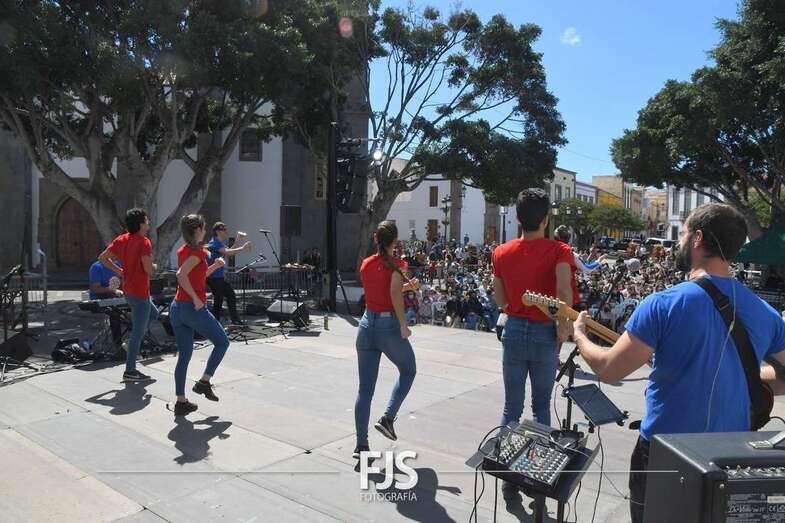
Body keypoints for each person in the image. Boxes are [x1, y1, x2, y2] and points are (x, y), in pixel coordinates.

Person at [571, 203, 785, 523]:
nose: (681, 241)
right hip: (731, 457)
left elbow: (609, 368)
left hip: (665, 453)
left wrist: (579, 335)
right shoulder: (765, 313)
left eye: (683, 233)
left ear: (697, 238)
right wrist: (743, 374)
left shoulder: (663, 304)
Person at [491, 188, 574, 502]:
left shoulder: (501, 252)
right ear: (546, 219)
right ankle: (534, 475)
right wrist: (563, 326)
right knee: (541, 407)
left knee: (511, 407)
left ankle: (506, 476)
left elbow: (500, 300)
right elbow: (563, 292)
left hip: (513, 330)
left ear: (517, 219)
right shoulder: (559, 250)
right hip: (543, 334)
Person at [353, 221, 420, 459]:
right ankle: (388, 418)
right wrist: (403, 325)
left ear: (376, 239)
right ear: (395, 241)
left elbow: (379, 290)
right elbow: (392, 294)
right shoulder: (398, 265)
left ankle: (361, 445)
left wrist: (404, 286)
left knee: (365, 390)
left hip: (366, 324)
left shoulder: (366, 264)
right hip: (388, 326)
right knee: (409, 370)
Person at [170, 214, 232, 417]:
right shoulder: (197, 252)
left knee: (184, 356)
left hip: (177, 308)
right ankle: (204, 382)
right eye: (203, 229)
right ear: (197, 231)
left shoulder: (183, 250)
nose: (205, 232)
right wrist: (196, 299)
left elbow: (195, 275)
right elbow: (181, 275)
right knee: (222, 342)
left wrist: (214, 266)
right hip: (192, 309)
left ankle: (181, 402)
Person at [98, 208, 160, 381]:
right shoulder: (144, 242)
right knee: (138, 334)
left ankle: (131, 342)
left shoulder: (122, 239)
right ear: (141, 223)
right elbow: (148, 269)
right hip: (140, 292)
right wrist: (155, 266)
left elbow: (102, 258)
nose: (149, 221)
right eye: (147, 219)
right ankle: (130, 371)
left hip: (129, 291)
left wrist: (120, 271)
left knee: (154, 314)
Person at [206, 222, 251, 324]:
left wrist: (238, 239)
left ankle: (233, 320)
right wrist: (243, 248)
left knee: (227, 296)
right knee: (220, 299)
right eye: (223, 229)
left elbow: (229, 251)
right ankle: (216, 323)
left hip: (218, 277)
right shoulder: (214, 242)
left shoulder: (218, 243)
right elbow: (228, 252)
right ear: (217, 231)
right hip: (214, 277)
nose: (226, 231)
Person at [88, 259, 123, 347]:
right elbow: (95, 288)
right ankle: (118, 345)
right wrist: (112, 290)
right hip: (100, 298)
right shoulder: (96, 267)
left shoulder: (119, 265)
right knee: (115, 314)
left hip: (117, 298)